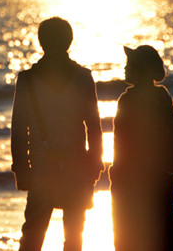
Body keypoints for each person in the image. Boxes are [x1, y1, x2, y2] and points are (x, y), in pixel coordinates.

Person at [10, 17, 104, 251]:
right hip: (77, 168)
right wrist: (95, 164)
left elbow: (19, 130)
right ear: (69, 41)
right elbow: (94, 126)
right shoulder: (83, 77)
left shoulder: (27, 79)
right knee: (74, 237)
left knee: (32, 235)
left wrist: (22, 170)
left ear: (41, 42)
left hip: (42, 168)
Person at [109, 45, 173, 251]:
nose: (125, 68)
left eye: (130, 64)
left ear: (140, 69)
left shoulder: (128, 100)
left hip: (134, 178)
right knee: (164, 231)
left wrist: (116, 175)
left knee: (131, 234)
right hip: (160, 175)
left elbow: (123, 143)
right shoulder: (162, 96)